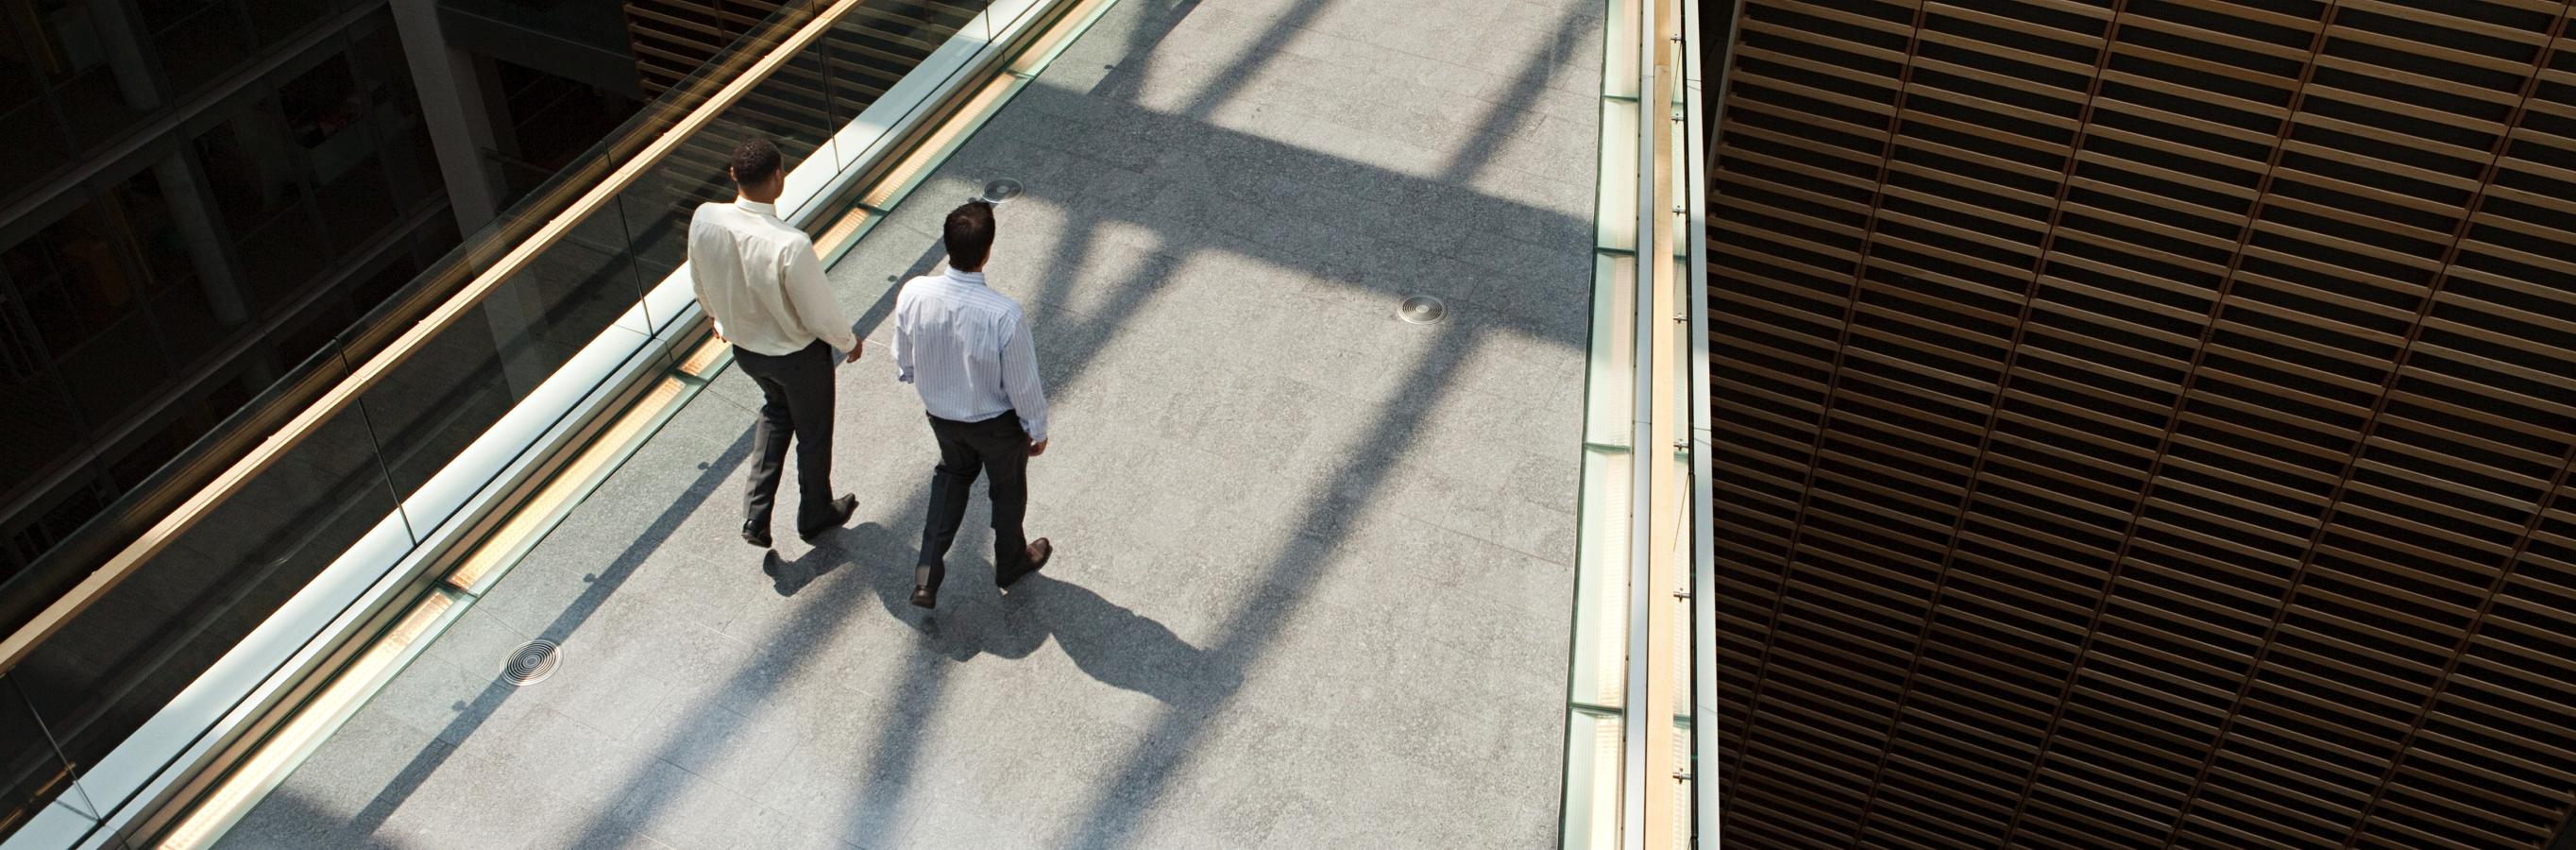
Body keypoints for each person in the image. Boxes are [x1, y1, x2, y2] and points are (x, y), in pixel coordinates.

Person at [688, 137, 861, 549]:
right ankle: (814, 515)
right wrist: (848, 341)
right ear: (779, 175)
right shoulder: (790, 243)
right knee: (814, 433)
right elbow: (817, 312)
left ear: (733, 175)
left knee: (777, 412)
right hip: (797, 358)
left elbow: (698, 276)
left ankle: (756, 516)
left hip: (746, 351)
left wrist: (716, 316)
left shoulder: (705, 218)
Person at [890, 200, 1053, 608]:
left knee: (951, 478)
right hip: (996, 425)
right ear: (988, 250)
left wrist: (919, 379)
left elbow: (903, 355)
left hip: (942, 417)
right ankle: (1011, 562)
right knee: (1007, 489)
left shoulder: (914, 292)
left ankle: (926, 577)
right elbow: (1022, 383)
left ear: (947, 245)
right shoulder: (1004, 315)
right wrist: (1037, 429)